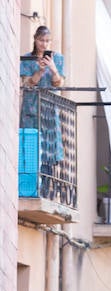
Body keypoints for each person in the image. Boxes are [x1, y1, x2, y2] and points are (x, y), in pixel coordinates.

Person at [20, 26, 66, 178]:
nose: (44, 44)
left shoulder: (58, 59)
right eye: (41, 40)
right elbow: (28, 84)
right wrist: (39, 71)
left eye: (47, 41)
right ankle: (31, 181)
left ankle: (46, 184)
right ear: (35, 39)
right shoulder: (27, 59)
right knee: (30, 144)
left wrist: (53, 69)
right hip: (30, 109)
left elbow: (58, 83)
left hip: (49, 109)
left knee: (49, 147)